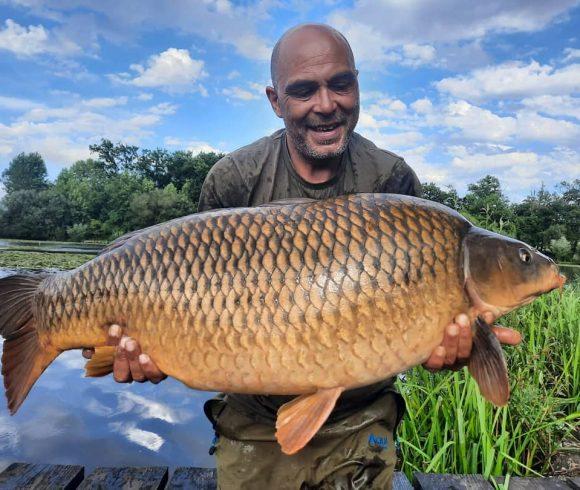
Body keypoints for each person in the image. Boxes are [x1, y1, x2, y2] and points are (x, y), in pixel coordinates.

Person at [84, 23, 522, 489]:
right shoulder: (234, 180)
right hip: (251, 420)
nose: (326, 104)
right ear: (275, 101)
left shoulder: (393, 181)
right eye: (303, 91)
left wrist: (455, 348)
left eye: (340, 84)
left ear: (357, 85)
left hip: (362, 416)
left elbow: (417, 333)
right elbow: (194, 303)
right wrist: (151, 350)